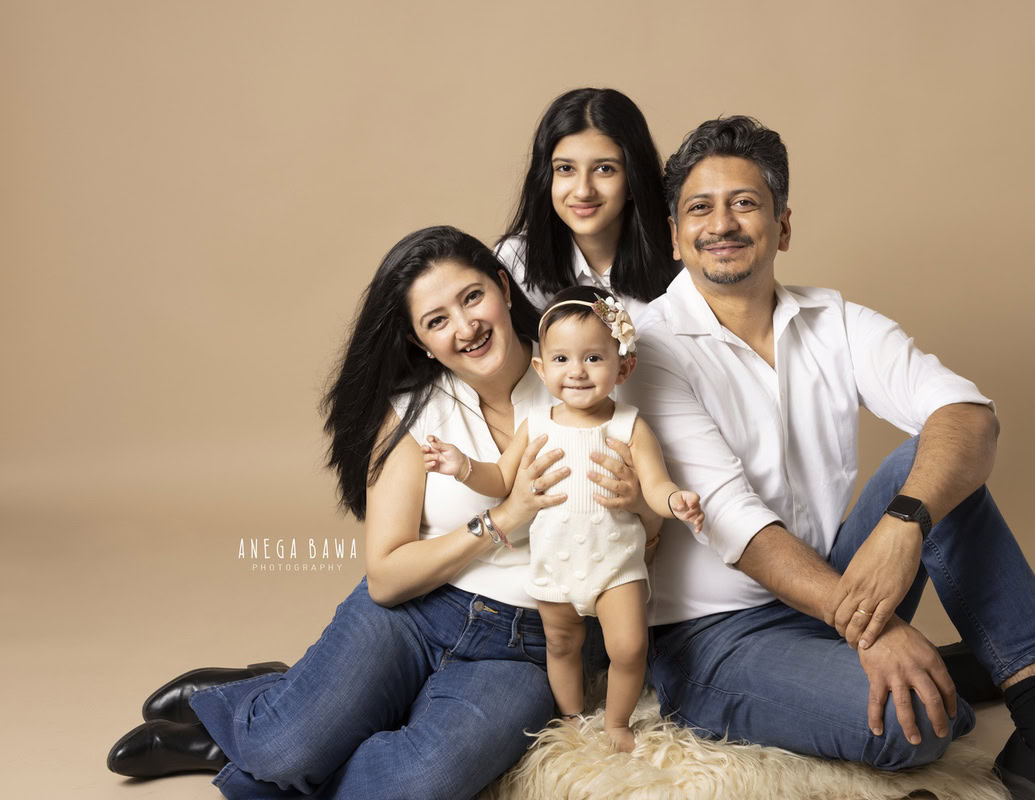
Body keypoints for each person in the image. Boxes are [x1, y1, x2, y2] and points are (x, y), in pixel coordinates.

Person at [621, 117, 1035, 800]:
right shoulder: (649, 350)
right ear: (678, 234)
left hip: (829, 581)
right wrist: (878, 627)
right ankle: (941, 668)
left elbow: (970, 417)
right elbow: (736, 525)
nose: (723, 224)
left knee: (938, 462)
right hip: (715, 640)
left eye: (745, 202)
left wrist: (906, 523)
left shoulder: (835, 321)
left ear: (784, 225)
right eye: (700, 208)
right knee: (918, 720)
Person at [105, 226, 658, 799]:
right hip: (416, 613)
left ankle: (264, 717)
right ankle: (267, 710)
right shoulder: (416, 412)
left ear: (502, 286)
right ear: (421, 342)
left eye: (472, 298)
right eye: (436, 321)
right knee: (283, 748)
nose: (465, 327)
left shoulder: (589, 378)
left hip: (525, 646)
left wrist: (641, 503)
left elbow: (645, 544)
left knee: (417, 782)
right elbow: (388, 578)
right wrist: (500, 520)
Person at [422, 285, 704, 752]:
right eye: (561, 360)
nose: (576, 372)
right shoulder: (537, 425)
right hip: (555, 560)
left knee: (629, 648)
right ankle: (573, 717)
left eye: (594, 358)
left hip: (616, 565)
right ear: (541, 367)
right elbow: (500, 480)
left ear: (623, 367)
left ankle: (617, 722)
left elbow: (654, 485)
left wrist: (675, 501)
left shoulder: (630, 425)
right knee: (561, 644)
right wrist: (463, 466)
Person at [497, 87, 678, 320]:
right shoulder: (515, 261)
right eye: (565, 169)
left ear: (633, 180)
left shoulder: (680, 256)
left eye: (604, 169)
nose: (583, 191)